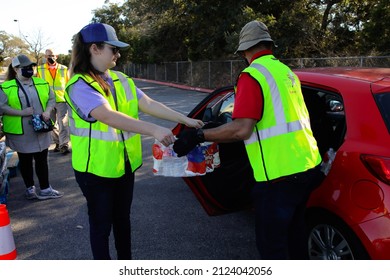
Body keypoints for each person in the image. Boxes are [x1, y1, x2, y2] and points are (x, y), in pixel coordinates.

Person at [173, 20, 324, 260]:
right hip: (307, 165)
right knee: (295, 237)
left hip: (278, 176)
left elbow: (241, 130)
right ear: (269, 46)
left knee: (272, 247)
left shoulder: (252, 75)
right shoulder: (286, 72)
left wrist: (199, 134)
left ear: (245, 51)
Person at [65, 22, 203, 260]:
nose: (118, 54)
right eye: (113, 49)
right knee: (101, 226)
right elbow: (107, 116)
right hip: (95, 171)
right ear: (95, 49)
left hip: (124, 166)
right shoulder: (79, 85)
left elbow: (148, 103)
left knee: (122, 221)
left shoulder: (120, 79)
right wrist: (154, 130)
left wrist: (185, 119)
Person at [0, 54, 63, 200]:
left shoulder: (41, 83)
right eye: (25, 68)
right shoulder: (6, 87)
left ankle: (46, 188)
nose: (30, 70)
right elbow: (1, 107)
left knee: (42, 159)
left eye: (31, 67)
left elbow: (51, 99)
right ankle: (30, 189)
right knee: (25, 160)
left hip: (40, 128)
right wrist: (21, 113)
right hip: (21, 131)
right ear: (16, 69)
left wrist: (47, 111)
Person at [36, 49, 70, 154]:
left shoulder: (63, 69)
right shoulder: (40, 69)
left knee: (63, 123)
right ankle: (57, 142)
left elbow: (68, 84)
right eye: (47, 56)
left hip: (61, 100)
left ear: (57, 56)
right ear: (45, 57)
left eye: (52, 55)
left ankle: (64, 145)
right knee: (51, 124)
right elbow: (38, 85)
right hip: (47, 101)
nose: (50, 58)